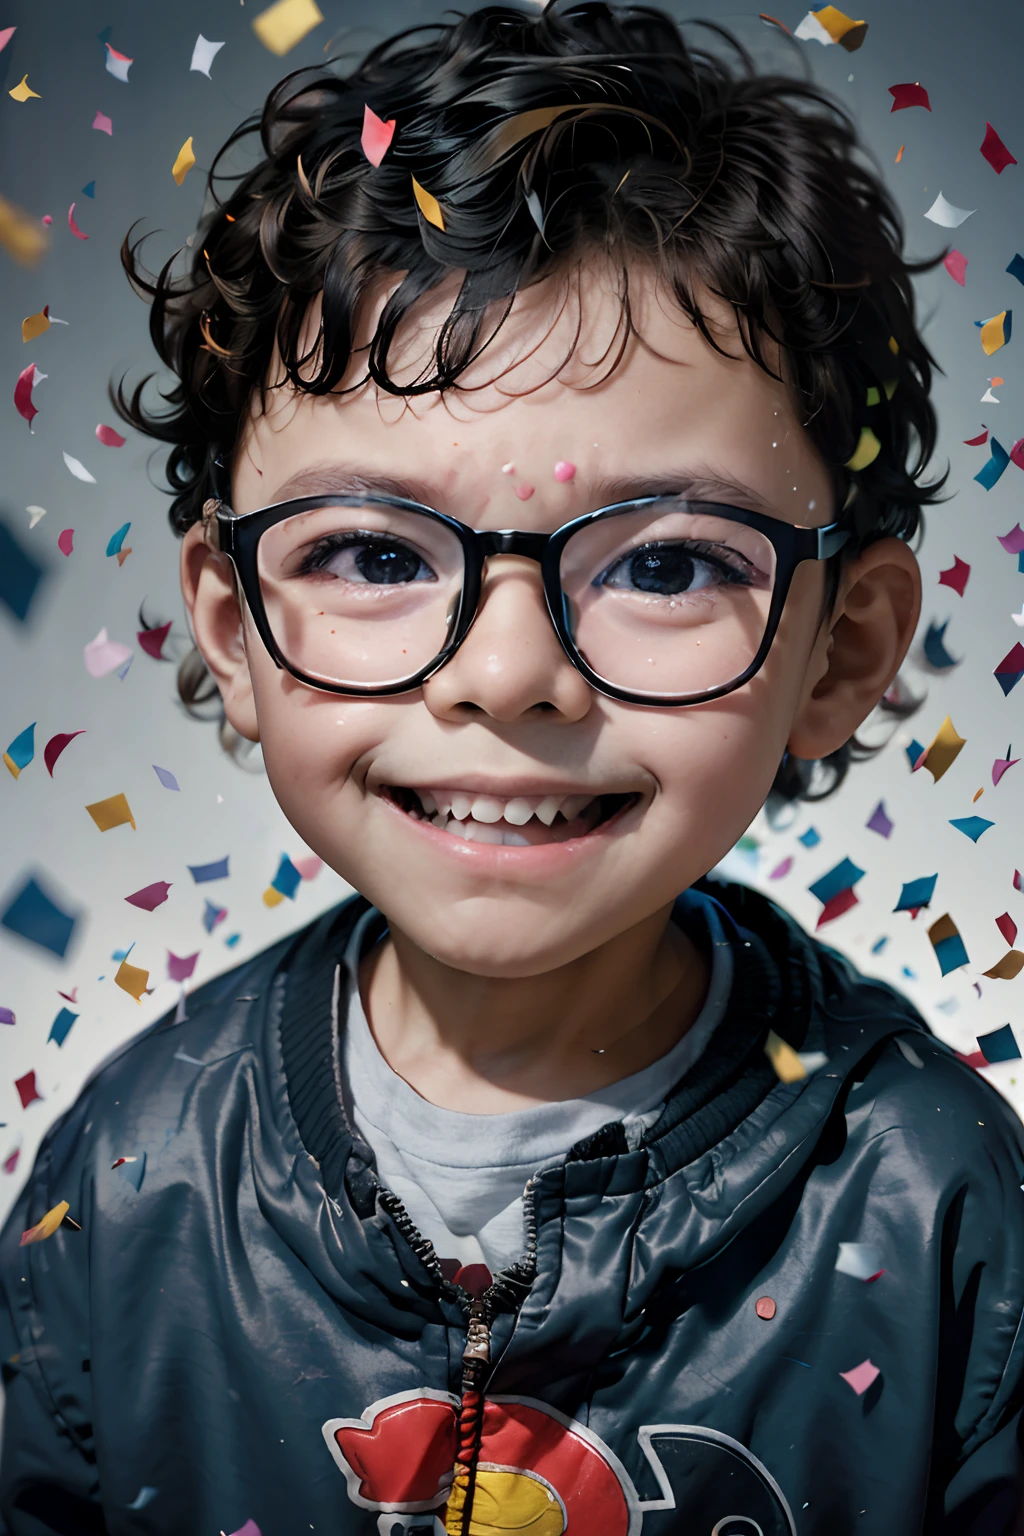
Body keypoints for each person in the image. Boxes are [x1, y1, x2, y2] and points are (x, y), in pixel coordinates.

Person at [3, 4, 1023, 1532]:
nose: (505, 674)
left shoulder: (945, 1213)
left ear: (844, 651)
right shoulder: (133, 1176)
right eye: (368, 551)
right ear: (231, 624)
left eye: (668, 565)